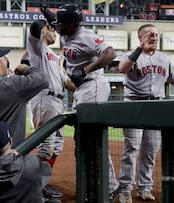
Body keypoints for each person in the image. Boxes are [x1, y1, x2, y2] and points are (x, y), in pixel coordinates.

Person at [117, 24, 174, 203]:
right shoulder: (131, 55)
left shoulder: (163, 58)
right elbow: (122, 68)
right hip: (134, 105)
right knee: (131, 149)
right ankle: (125, 189)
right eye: (150, 35)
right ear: (140, 37)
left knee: (150, 151)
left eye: (156, 35)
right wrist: (139, 49)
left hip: (155, 106)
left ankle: (144, 188)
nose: (154, 38)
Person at [54, 3, 119, 201]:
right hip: (81, 89)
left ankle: (109, 185)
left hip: (93, 84)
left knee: (92, 139)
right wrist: (50, 15)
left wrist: (86, 70)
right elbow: (55, 23)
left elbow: (110, 53)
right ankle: (93, 181)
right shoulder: (67, 34)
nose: (57, 26)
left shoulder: (86, 36)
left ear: (72, 24)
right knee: (82, 140)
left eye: (61, 22)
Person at [27, 18, 76, 202]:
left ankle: (41, 183)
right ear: (43, 32)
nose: (55, 32)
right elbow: (33, 30)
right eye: (51, 29)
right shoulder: (37, 49)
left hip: (57, 101)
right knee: (46, 147)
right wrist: (46, 19)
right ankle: (34, 186)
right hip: (44, 98)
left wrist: (83, 86)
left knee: (56, 147)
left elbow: (67, 82)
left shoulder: (55, 57)